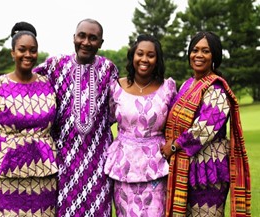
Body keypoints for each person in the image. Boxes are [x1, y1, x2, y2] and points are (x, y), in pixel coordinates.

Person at [0, 18, 118, 216]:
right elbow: (22, 76)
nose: (86, 42)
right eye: (82, 36)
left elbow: (122, 99)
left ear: (101, 43)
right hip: (63, 163)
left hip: (97, 164)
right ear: (74, 38)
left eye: (93, 38)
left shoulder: (109, 69)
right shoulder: (56, 65)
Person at [160, 31, 251, 216]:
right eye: (195, 50)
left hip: (209, 167)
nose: (199, 55)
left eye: (205, 51)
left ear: (214, 56)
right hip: (185, 166)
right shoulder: (187, 84)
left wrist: (175, 146)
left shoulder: (217, 88)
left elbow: (205, 128)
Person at [0, 21, 58, 216]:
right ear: (13, 52)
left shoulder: (48, 83)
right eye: (22, 50)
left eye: (33, 50)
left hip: (44, 174)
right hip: (6, 174)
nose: (28, 55)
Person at [104, 34, 177, 216]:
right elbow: (105, 120)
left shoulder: (167, 88)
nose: (144, 59)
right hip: (124, 167)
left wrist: (174, 145)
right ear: (133, 56)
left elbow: (177, 123)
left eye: (150, 55)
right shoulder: (116, 88)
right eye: (140, 54)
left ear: (157, 59)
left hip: (156, 167)